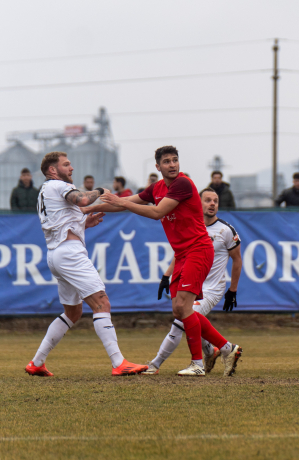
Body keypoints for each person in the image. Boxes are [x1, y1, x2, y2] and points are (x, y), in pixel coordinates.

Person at [100, 146, 242, 377]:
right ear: (158, 167)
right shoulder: (158, 187)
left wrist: (122, 202)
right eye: (167, 161)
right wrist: (86, 208)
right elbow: (122, 202)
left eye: (175, 160)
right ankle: (227, 348)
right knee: (179, 311)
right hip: (183, 255)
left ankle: (194, 364)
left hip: (198, 252)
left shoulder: (184, 184)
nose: (173, 164)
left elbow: (155, 213)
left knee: (183, 311)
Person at [25, 152, 147, 377]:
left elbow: (64, 219)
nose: (71, 168)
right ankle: (119, 363)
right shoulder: (56, 185)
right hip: (70, 254)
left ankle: (37, 362)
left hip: (56, 254)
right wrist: (101, 190)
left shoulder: (46, 191)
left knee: (72, 313)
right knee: (101, 302)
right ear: (52, 170)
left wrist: (83, 224)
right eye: (66, 164)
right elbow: (82, 199)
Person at [143, 187, 242, 375]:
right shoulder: (193, 226)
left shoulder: (226, 230)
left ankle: (155, 365)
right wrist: (166, 275)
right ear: (199, 202)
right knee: (188, 318)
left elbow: (237, 259)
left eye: (215, 200)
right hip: (193, 282)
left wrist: (233, 290)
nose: (212, 204)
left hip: (212, 288)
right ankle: (216, 350)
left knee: (180, 320)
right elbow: (181, 253)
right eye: (207, 200)